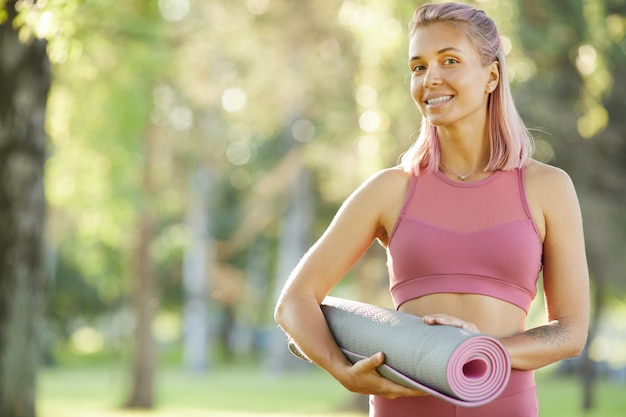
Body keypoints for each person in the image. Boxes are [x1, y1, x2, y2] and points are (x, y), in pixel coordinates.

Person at [274, 2, 589, 416]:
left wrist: (480, 351)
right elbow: (294, 301)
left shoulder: (547, 188)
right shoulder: (390, 189)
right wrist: (342, 370)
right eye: (418, 66)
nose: (430, 78)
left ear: (491, 76)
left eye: (450, 61)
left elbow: (570, 330)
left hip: (504, 406)